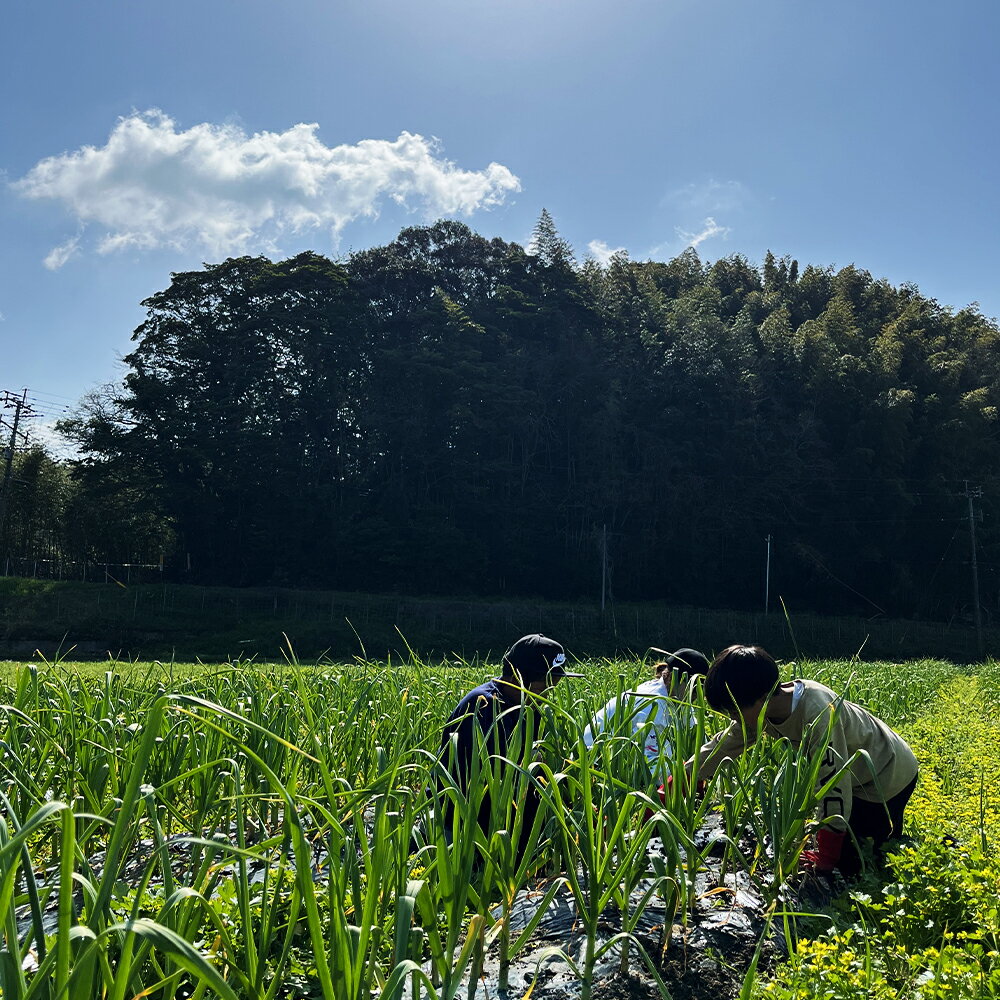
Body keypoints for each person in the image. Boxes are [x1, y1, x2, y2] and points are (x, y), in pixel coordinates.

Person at [687, 644, 919, 877]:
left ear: (764, 697)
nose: (732, 718)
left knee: (860, 862)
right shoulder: (761, 711)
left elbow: (833, 783)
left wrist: (826, 856)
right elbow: (724, 744)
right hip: (858, 777)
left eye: (735, 711)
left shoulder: (817, 712)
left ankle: (908, 843)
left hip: (888, 773)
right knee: (852, 848)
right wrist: (681, 778)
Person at [439, 633, 582, 843]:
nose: (547, 696)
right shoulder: (484, 706)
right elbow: (489, 782)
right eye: (544, 687)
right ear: (517, 678)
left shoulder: (528, 707)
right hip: (463, 823)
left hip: (503, 814)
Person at [582, 647, 710, 780]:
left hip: (625, 762)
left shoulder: (678, 698)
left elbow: (696, 738)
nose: (696, 695)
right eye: (693, 689)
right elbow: (650, 762)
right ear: (672, 678)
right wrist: (685, 778)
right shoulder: (652, 704)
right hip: (596, 764)